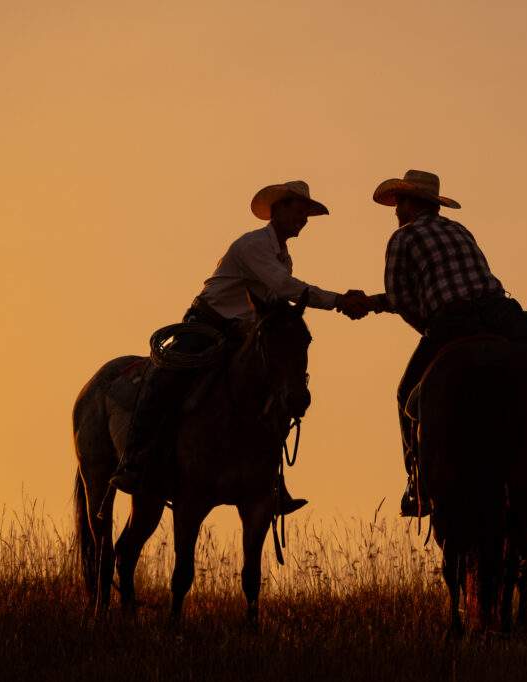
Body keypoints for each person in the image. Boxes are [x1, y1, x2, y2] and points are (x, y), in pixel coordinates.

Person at [352, 170, 527, 516]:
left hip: (451, 322)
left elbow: (401, 297)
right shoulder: (459, 229)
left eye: (399, 203)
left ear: (411, 203)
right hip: (501, 312)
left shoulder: (402, 238)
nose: (396, 211)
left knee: (406, 393)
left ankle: (417, 477)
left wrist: (421, 323)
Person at [110, 180, 369, 514]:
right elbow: (284, 288)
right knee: (164, 380)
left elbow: (275, 299)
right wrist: (339, 301)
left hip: (240, 331)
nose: (304, 218)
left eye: (307, 213)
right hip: (205, 324)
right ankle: (135, 460)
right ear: (277, 209)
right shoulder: (254, 246)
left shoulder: (280, 255)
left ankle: (271, 480)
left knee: (274, 390)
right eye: (299, 210)